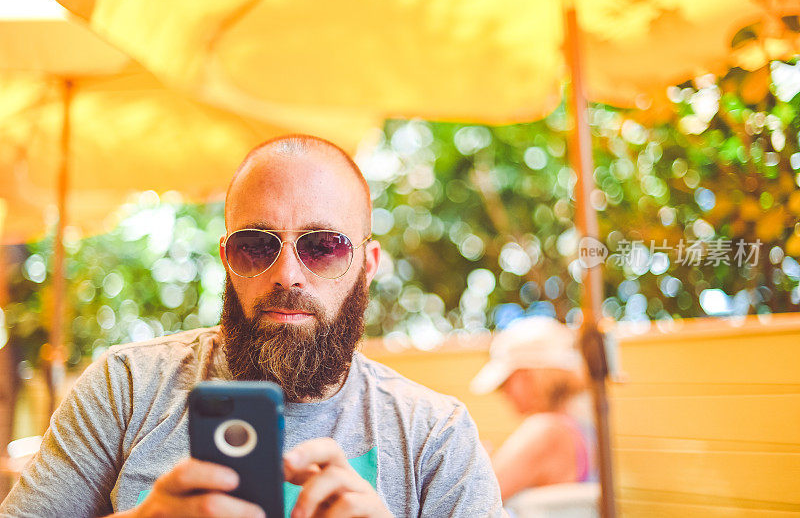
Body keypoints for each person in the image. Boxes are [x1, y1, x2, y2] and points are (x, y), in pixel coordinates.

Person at [0, 135, 504, 517]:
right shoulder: (126, 389)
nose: (287, 274)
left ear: (368, 264)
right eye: (257, 245)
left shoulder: (433, 435)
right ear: (226, 259)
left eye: (324, 246)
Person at [470, 316, 596, 502]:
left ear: (530, 376)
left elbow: (473, 498)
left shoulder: (545, 430)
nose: (503, 393)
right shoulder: (578, 426)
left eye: (506, 382)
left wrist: (473, 462)